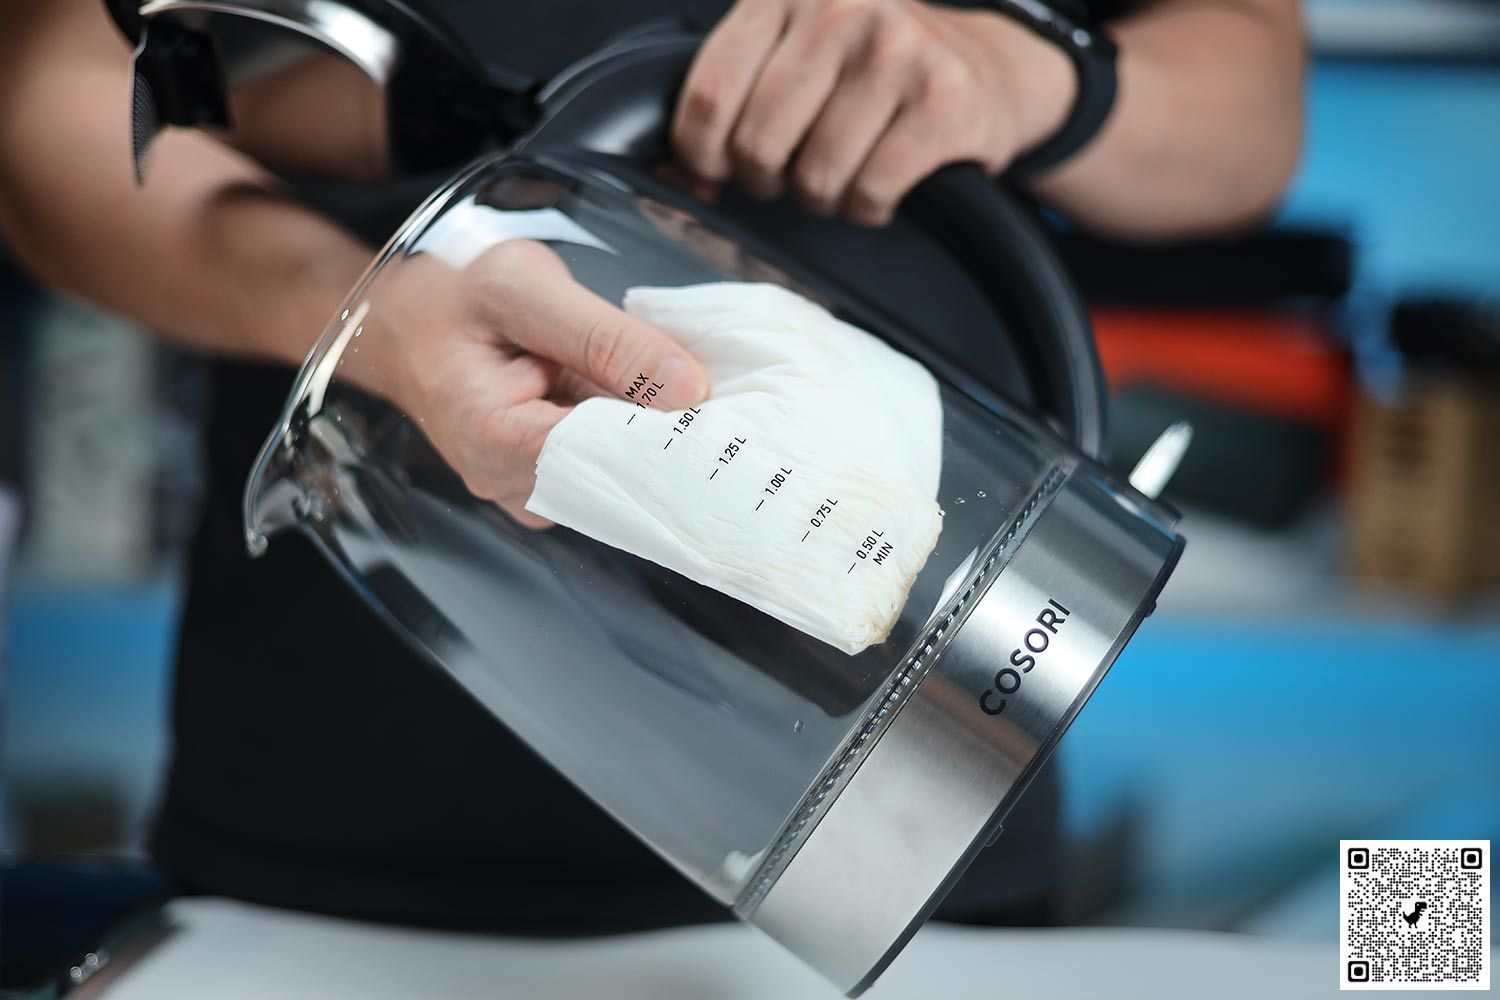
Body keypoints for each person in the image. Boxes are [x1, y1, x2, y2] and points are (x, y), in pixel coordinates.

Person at [0, 0, 1303, 933]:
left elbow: (1252, 107)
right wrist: (372, 317)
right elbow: (52, 97)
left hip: (936, 769)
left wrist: (1031, 70)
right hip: (340, 794)